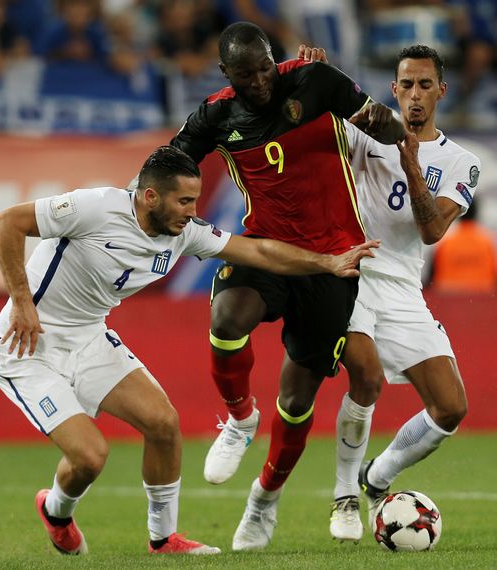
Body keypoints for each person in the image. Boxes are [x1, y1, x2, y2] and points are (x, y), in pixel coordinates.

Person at [0, 145, 377, 556]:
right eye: (184, 201)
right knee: (90, 457)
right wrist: (22, 302)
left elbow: (258, 251)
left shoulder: (185, 232)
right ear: (150, 196)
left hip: (89, 339)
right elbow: (7, 222)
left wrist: (327, 263)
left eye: (195, 200)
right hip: (28, 346)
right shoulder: (96, 207)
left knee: (163, 423)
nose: (193, 211)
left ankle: (163, 539)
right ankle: (57, 512)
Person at [169, 21, 404, 548]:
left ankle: (264, 500)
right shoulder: (216, 116)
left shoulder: (314, 81)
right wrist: (138, 200)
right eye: (245, 75)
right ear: (225, 73)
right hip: (266, 249)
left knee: (297, 400)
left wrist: (387, 122)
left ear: (273, 58)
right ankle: (239, 419)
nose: (259, 82)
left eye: (265, 68)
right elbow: (171, 162)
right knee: (227, 319)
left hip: (334, 261)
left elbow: (383, 127)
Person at [336, 45, 481, 530]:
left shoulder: (461, 162)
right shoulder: (362, 134)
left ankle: (377, 476)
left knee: (450, 407)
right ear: (393, 90)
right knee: (365, 377)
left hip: (402, 286)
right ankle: (341, 498)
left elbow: (432, 230)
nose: (415, 95)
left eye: (425, 85)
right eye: (407, 85)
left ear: (442, 91)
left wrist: (412, 165)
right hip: (351, 273)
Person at [429, 199, 497, 293]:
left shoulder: (445, 241)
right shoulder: (488, 241)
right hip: (483, 295)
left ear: (458, 213)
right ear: (476, 213)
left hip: (449, 295)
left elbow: (432, 275)